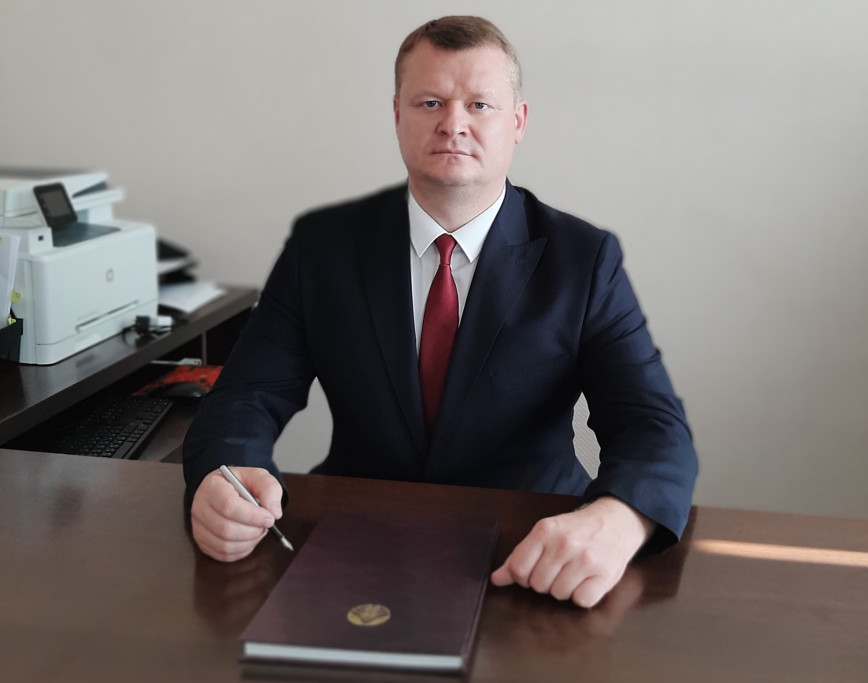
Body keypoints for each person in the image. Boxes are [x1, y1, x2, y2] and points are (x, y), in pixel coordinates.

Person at [183, 15, 698, 608]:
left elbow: (652, 424)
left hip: (530, 547)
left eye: (480, 105)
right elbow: (246, 396)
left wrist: (620, 518)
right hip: (358, 541)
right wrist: (224, 475)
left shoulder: (583, 260)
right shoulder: (320, 249)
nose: (453, 124)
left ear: (517, 121)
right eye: (430, 102)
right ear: (397, 114)